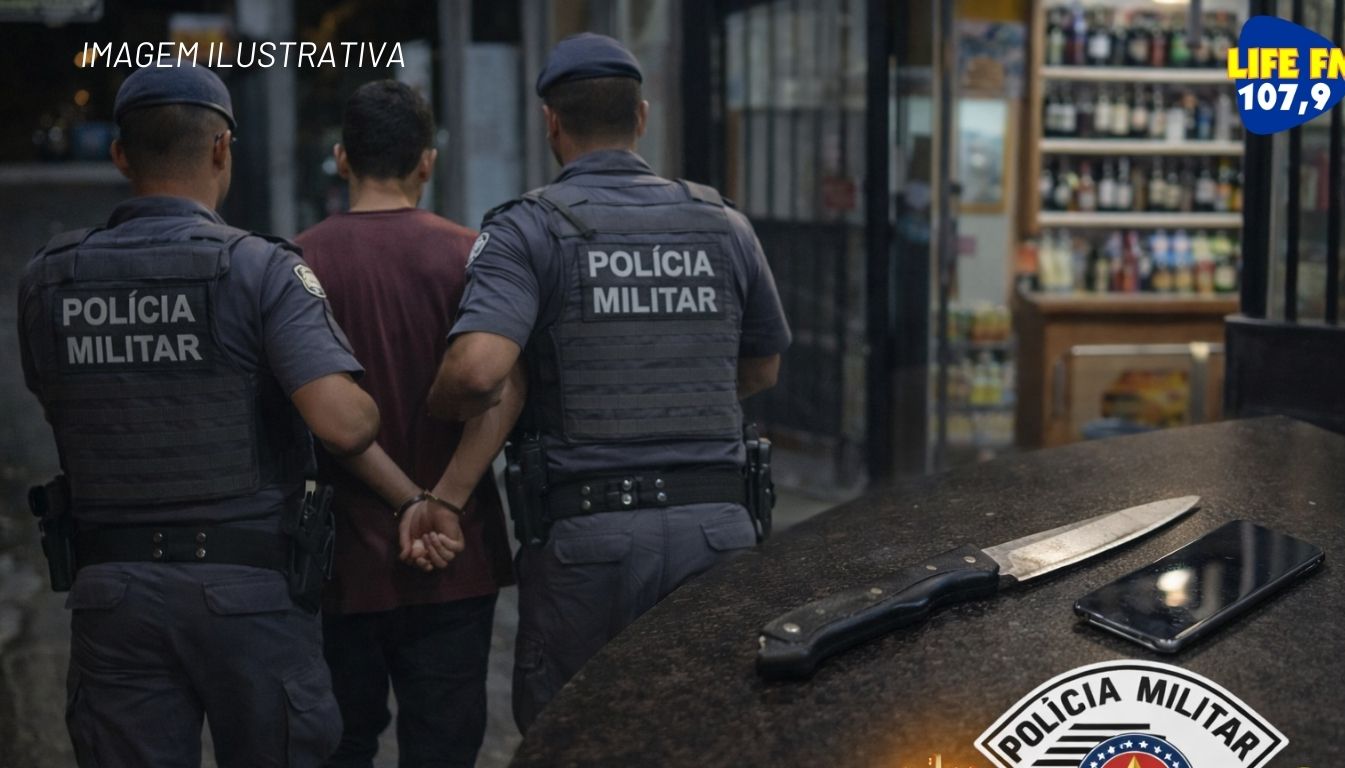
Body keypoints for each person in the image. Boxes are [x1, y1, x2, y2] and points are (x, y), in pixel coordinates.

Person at [16, 65, 386, 766]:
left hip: (111, 594)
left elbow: (54, 395)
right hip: (246, 591)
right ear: (222, 150)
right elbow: (343, 424)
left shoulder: (48, 278)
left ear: (120, 155)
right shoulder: (259, 269)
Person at [426, 33, 792, 732]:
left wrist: (437, 405)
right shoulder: (724, 223)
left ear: (551, 123)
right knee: (707, 733)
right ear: (642, 117)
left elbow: (477, 372)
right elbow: (762, 367)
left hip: (588, 541)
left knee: (577, 735)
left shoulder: (528, 230)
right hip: (717, 531)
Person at [294, 80, 521, 768]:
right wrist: (441, 501)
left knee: (342, 742)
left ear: (341, 158)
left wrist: (404, 503)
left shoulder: (295, 262)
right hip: (456, 552)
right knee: (446, 747)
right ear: (428, 161)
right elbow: (505, 388)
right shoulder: (476, 254)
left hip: (340, 557)